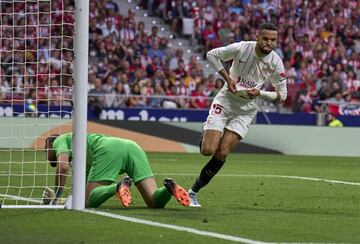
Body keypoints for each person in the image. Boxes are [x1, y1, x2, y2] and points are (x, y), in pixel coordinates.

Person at [188, 22, 287, 207]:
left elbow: (283, 95)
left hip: (246, 109)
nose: (269, 43)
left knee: (222, 152)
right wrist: (227, 78)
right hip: (226, 101)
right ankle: (208, 131)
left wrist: (261, 93)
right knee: (207, 150)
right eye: (265, 39)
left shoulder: (276, 62)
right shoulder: (242, 48)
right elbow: (211, 55)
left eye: (273, 40)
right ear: (257, 37)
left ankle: (193, 192)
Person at [43, 133, 190, 208]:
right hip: (132, 147)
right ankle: (169, 188)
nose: (46, 156)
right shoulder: (80, 158)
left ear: (49, 144)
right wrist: (59, 201)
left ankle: (118, 187)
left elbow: (62, 166)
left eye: (45, 151)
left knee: (88, 202)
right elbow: (77, 197)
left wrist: (56, 197)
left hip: (108, 148)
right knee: (153, 201)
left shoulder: (59, 140)